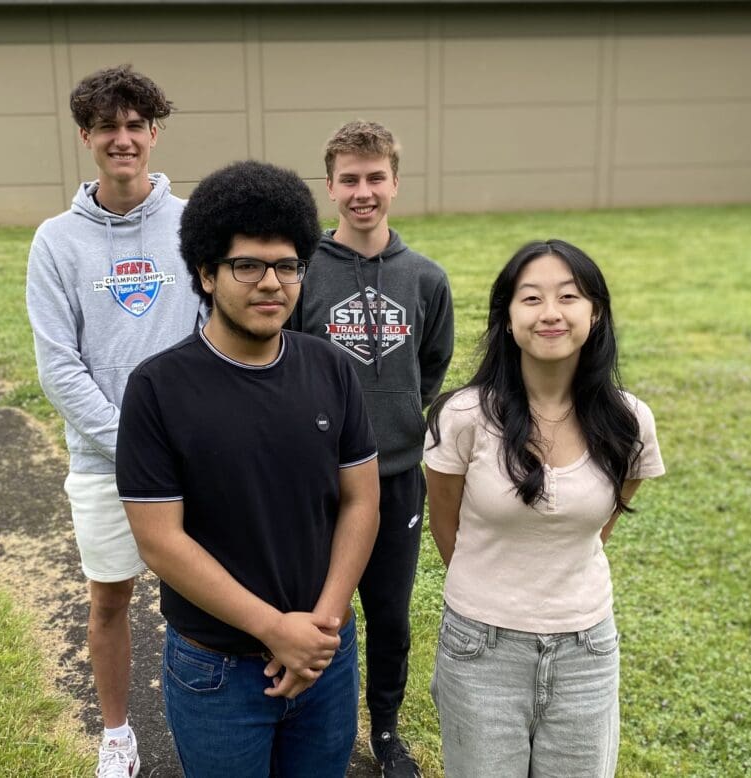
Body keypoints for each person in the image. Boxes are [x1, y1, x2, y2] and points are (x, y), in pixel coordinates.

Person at [116, 160, 381, 777]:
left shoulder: (331, 369)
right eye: (247, 266)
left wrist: (323, 624)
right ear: (206, 274)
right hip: (218, 671)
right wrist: (272, 628)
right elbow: (160, 541)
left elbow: (361, 501)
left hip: (324, 655)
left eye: (287, 266)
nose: (271, 283)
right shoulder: (158, 388)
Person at [423, 239, 665, 777]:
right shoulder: (462, 416)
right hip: (480, 648)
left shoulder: (629, 423)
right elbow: (448, 528)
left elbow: (599, 526)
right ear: (507, 317)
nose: (551, 313)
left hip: (588, 651)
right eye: (531, 298)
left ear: (594, 313)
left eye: (569, 297)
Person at [26, 65, 202, 778]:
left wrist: (187, 438)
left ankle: (206, 725)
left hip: (196, 456)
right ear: (86, 137)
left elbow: (211, 329)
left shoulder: (194, 224)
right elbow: (58, 366)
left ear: (154, 133)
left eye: (135, 126)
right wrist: (134, 443)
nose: (122, 139)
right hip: (105, 463)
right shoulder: (56, 241)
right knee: (110, 600)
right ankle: (119, 734)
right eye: (108, 127)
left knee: (200, 602)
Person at [288, 119, 453, 777]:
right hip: (314, 479)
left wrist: (392, 424)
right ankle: (310, 724)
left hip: (395, 478)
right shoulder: (300, 273)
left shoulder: (425, 279)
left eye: (375, 177)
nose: (363, 191)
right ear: (329, 186)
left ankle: (385, 733)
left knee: (388, 614)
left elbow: (432, 366)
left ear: (395, 182)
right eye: (349, 179)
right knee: (312, 610)